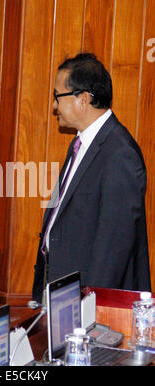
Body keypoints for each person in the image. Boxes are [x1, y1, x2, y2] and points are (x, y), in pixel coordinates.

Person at [32, 53, 151, 303]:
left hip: (87, 299)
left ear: (83, 99)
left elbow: (114, 248)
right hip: (63, 289)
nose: (54, 106)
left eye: (57, 96)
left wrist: (90, 306)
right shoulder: (81, 144)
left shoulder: (120, 153)